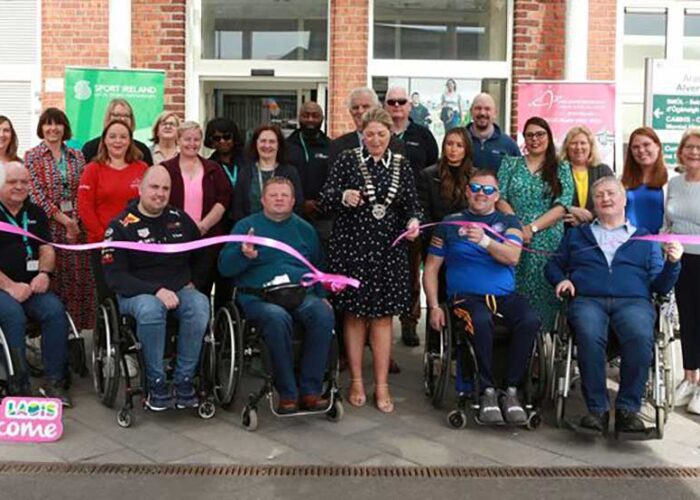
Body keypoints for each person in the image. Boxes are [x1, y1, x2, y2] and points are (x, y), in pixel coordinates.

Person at [545, 176, 682, 433]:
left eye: (611, 193)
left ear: (623, 199)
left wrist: (673, 264)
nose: (605, 199)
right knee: (587, 333)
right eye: (599, 195)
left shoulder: (644, 239)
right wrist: (561, 280)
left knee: (641, 336)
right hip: (588, 299)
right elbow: (552, 265)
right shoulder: (577, 235)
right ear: (593, 203)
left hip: (633, 301)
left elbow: (660, 286)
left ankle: (628, 410)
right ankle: (597, 410)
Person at [321, 108, 422, 413]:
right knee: (354, 316)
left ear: (391, 134)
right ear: (361, 134)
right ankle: (355, 380)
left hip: (388, 252)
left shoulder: (402, 165)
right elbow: (325, 197)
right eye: (370, 134)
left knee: (382, 319)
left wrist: (414, 222)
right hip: (352, 248)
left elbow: (412, 205)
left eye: (381, 134)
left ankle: (381, 385)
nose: (376, 139)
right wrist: (343, 196)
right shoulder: (347, 160)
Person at [423, 170, 540, 424]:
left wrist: (485, 240)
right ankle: (486, 390)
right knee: (479, 319)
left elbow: (513, 256)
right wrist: (433, 306)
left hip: (504, 297)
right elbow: (431, 268)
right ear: (467, 191)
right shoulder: (449, 224)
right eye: (476, 188)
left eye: (488, 190)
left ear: (497, 195)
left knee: (530, 319)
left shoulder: (510, 222)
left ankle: (511, 390)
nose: (481, 194)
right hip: (466, 297)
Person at [219, 177, 334, 414]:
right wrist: (243, 255)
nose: (279, 199)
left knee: (323, 314)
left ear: (293, 201)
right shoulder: (245, 227)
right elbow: (224, 268)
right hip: (259, 297)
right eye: (273, 195)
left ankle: (311, 390)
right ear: (262, 200)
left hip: (300, 293)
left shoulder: (305, 229)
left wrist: (321, 294)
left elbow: (318, 266)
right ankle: (287, 392)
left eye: (284, 195)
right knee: (276, 317)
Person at [101, 166, 210, 411]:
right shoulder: (120, 226)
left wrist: (195, 282)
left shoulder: (179, 219)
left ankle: (183, 378)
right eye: (154, 187)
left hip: (179, 289)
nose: (160, 193)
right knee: (151, 309)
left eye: (165, 188)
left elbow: (203, 254)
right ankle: (156, 381)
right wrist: (155, 290)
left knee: (200, 303)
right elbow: (115, 277)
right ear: (140, 188)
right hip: (137, 293)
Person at [0, 162, 72, 406]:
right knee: (13, 316)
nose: (19, 187)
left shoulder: (36, 212)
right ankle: (18, 384)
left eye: (24, 182)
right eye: (12, 182)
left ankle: (55, 381)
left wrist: (44, 273)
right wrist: (9, 286)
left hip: (32, 285)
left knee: (54, 311)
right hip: (3, 287)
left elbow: (46, 248)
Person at [497, 116, 573, 331]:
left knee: (544, 295)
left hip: (547, 241)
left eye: (540, 134)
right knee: (515, 293)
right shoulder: (510, 164)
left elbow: (562, 206)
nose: (535, 139)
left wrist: (532, 228)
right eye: (529, 135)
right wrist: (519, 227)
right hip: (513, 238)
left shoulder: (562, 168)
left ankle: (543, 351)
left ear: (548, 137)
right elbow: (500, 197)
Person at [24, 108, 94, 332]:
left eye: (57, 124)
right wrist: (65, 220)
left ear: (65, 127)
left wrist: (75, 220)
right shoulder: (32, 156)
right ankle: (56, 332)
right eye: (47, 124)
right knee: (55, 281)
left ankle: (78, 336)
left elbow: (83, 190)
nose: (52, 128)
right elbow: (35, 194)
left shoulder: (77, 156)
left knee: (78, 281)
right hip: (49, 228)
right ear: (41, 128)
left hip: (76, 229)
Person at [384, 85, 438, 346]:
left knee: (411, 270)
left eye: (401, 101)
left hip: (414, 215)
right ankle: (380, 318)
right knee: (382, 270)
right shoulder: (378, 134)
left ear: (410, 105)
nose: (396, 106)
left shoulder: (423, 135)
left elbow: (434, 171)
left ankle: (409, 321)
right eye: (391, 102)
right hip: (382, 215)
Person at [161, 121, 231, 308]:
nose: (191, 144)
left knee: (202, 289)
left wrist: (204, 225)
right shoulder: (166, 168)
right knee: (177, 288)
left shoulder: (213, 168)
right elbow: (159, 201)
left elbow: (223, 199)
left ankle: (204, 333)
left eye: (196, 139)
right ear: (178, 140)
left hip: (206, 239)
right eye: (187, 139)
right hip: (174, 239)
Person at [77, 120, 149, 302]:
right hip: (103, 244)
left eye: (123, 137)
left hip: (136, 244)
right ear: (105, 141)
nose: (118, 141)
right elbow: (85, 207)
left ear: (130, 141)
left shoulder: (143, 169)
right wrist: (105, 237)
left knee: (137, 293)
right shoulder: (92, 169)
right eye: (113, 136)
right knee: (107, 297)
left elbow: (149, 204)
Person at [665, 129, 700, 414]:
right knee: (687, 320)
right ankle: (689, 378)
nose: (693, 152)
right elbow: (669, 221)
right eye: (689, 147)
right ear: (681, 152)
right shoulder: (674, 183)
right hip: (680, 260)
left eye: (699, 148)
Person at [232, 124, 303, 222]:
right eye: (263, 141)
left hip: (282, 231)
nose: (267, 146)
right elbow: (238, 207)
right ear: (256, 144)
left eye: (272, 142)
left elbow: (297, 205)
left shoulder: (290, 172)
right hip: (251, 231)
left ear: (279, 145)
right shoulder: (245, 172)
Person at [286, 102, 333, 241]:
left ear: (323, 118)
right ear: (299, 118)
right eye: (306, 115)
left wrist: (320, 203)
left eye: (315, 116)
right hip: (292, 214)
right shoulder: (286, 147)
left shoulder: (331, 146)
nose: (310, 120)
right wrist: (301, 203)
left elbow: (335, 179)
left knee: (323, 258)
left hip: (324, 216)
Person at [328, 87, 406, 166]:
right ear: (350, 112)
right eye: (355, 107)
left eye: (365, 106)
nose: (360, 111)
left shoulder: (397, 145)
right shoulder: (338, 146)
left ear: (377, 108)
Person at [559, 125, 613, 226]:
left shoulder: (603, 171)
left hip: (597, 231)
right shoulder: (558, 171)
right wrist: (569, 209)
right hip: (564, 231)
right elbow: (548, 200)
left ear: (590, 146)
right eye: (574, 143)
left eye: (583, 143)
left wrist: (589, 216)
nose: (578, 147)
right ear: (567, 147)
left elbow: (612, 199)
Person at [622, 127, 667, 234]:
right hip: (630, 242)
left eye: (646, 145)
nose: (641, 150)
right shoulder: (622, 180)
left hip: (660, 244)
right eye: (635, 147)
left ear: (658, 146)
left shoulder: (671, 181)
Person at [81, 99, 153, 165]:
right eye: (117, 115)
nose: (122, 119)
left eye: (126, 115)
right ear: (108, 117)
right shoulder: (90, 148)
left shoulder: (142, 150)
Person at [465, 93, 521, 172]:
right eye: (478, 108)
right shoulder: (460, 141)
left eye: (487, 109)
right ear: (471, 111)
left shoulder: (509, 145)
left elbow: (517, 175)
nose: (482, 113)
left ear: (495, 113)